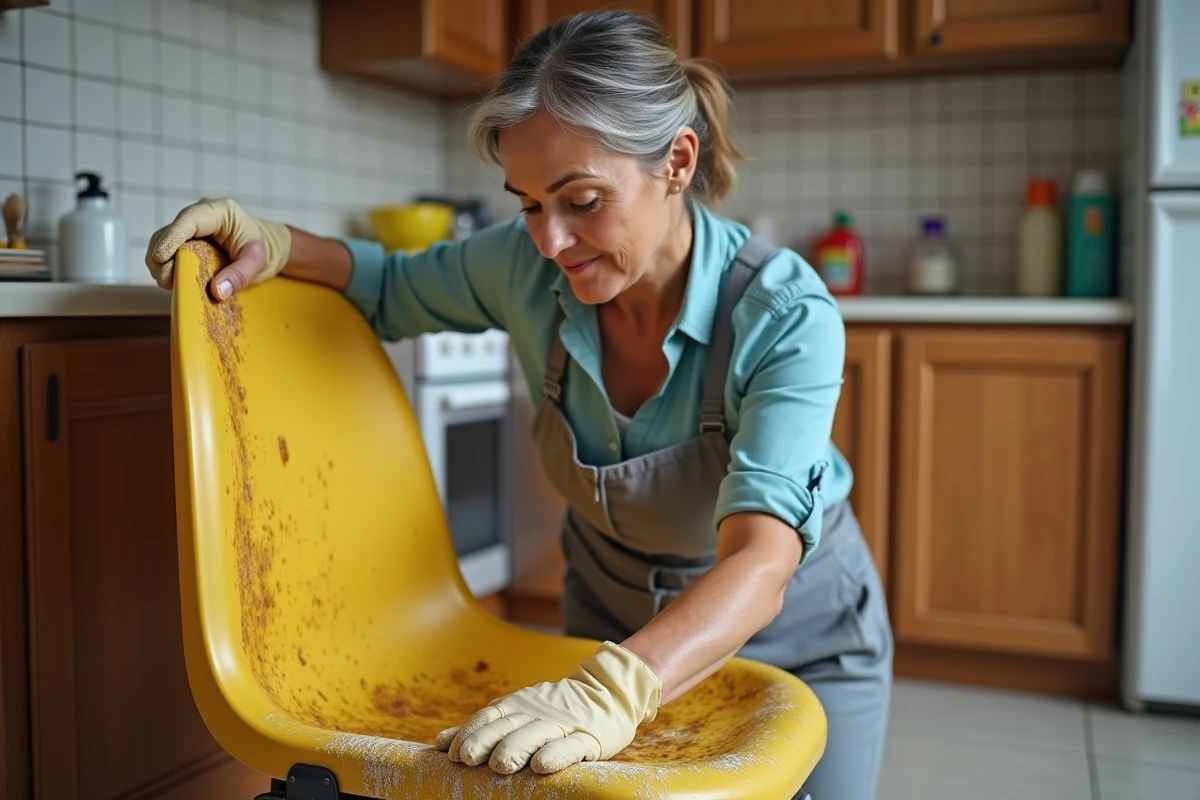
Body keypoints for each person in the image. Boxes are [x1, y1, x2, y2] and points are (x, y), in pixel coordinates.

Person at [145, 10, 892, 798]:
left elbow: (760, 558)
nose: (550, 242)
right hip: (606, 629)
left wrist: (610, 695)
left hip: (795, 641)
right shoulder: (526, 268)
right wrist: (278, 243)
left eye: (582, 199)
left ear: (676, 162)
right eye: (530, 204)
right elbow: (389, 285)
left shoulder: (784, 314)